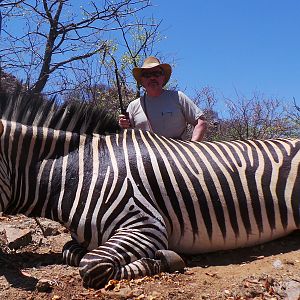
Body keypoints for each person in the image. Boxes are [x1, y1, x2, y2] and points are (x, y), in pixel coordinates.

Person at [119, 56, 207, 141]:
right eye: (147, 75)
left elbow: (201, 121)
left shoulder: (178, 97)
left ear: (163, 78)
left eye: (156, 74)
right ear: (141, 80)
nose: (152, 78)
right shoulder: (133, 106)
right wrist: (123, 125)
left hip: (177, 154)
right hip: (146, 155)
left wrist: (191, 148)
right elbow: (128, 135)